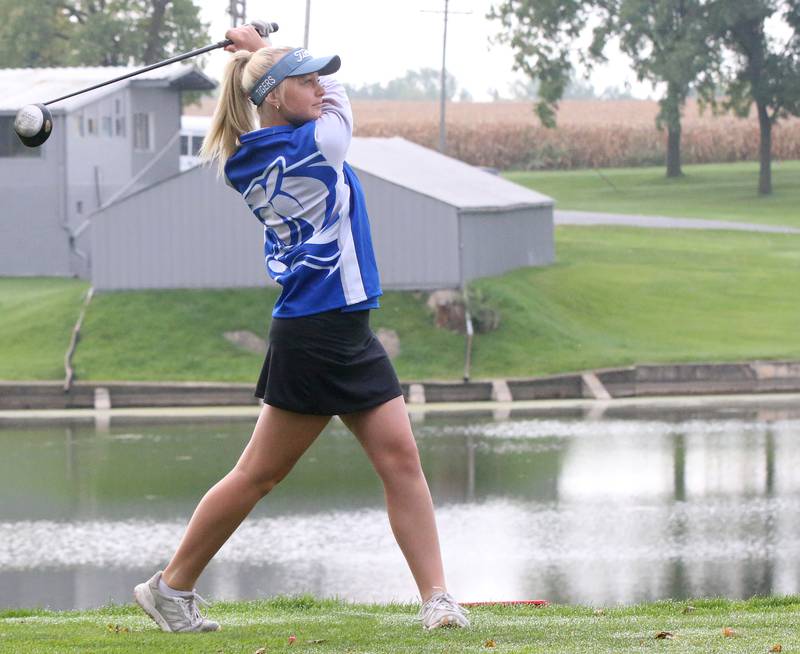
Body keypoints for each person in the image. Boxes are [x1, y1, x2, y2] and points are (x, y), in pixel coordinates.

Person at [132, 24, 470, 633]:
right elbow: (340, 105)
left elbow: (288, 101)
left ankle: (437, 601)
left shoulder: (246, 155)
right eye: (306, 80)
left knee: (399, 463)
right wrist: (259, 47)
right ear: (273, 97)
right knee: (258, 475)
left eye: (318, 77)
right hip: (319, 334)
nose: (319, 87)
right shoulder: (320, 145)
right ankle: (169, 587)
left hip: (336, 329)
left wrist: (257, 54)